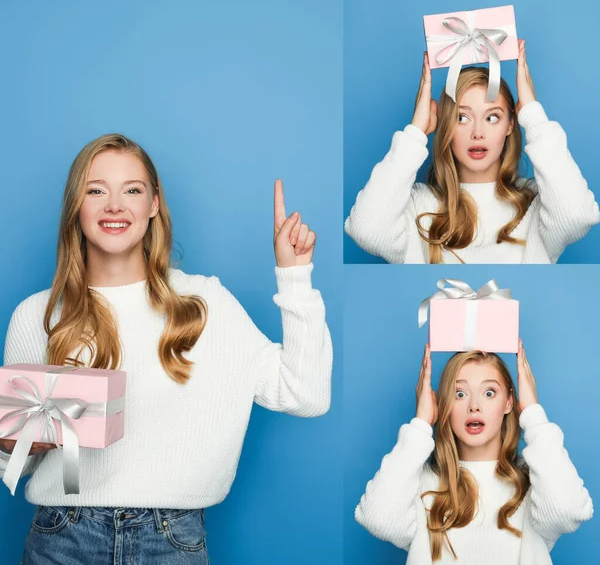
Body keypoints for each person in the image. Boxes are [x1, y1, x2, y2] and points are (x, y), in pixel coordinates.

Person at [0, 133, 333, 564]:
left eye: (132, 191)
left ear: (153, 204)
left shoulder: (205, 304)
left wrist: (295, 277)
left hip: (170, 542)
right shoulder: (37, 316)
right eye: (96, 190)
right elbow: (12, 464)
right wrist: (16, 442)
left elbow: (306, 395)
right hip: (63, 538)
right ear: (75, 205)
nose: (114, 206)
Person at [345, 39, 600, 263]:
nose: (477, 132)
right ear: (446, 125)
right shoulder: (418, 205)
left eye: (492, 118)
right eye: (462, 118)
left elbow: (577, 216)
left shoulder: (536, 204)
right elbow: (365, 230)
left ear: (511, 124)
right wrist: (415, 132)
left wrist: (533, 114)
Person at [355, 341, 593, 564]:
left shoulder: (535, 483)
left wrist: (532, 413)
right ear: (444, 405)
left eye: (489, 392)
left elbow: (568, 510)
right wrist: (421, 424)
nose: (474, 405)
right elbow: (379, 519)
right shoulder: (420, 483)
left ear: (509, 402)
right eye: (460, 393)